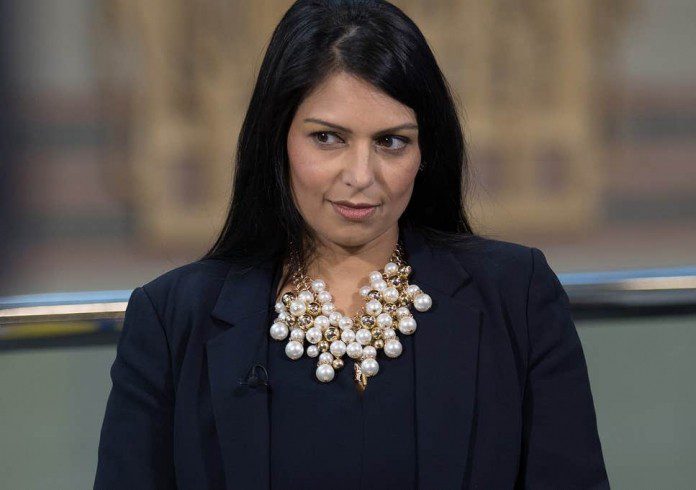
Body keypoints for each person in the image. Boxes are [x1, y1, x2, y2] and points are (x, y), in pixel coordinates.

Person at [94, 0, 610, 488]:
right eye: (327, 138)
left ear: (425, 152)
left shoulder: (516, 297)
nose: (361, 176)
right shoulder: (172, 320)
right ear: (277, 141)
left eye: (391, 142)